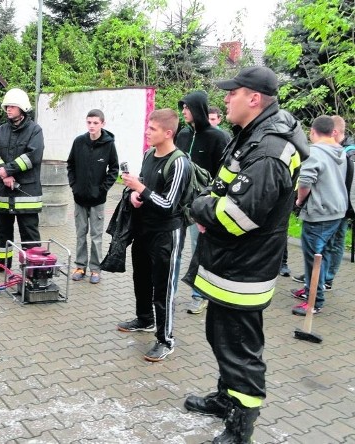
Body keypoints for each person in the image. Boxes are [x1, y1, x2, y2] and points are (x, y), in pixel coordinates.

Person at [182, 66, 308, 444]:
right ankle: (226, 398)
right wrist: (211, 205)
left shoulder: (269, 149)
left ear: (254, 98)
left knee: (240, 349)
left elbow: (239, 215)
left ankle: (241, 428)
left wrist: (200, 208)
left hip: (244, 269)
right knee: (222, 337)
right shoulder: (255, 133)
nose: (225, 98)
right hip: (230, 263)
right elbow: (230, 188)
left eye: (232, 92)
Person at [118, 109, 190, 362]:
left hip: (167, 234)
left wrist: (141, 188)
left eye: (152, 129)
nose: (147, 132)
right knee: (141, 278)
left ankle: (165, 340)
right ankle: (145, 319)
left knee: (164, 288)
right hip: (144, 229)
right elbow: (147, 188)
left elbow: (170, 203)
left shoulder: (179, 161)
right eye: (148, 127)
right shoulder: (149, 153)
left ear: (168, 133)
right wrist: (135, 195)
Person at [175, 91, 229, 315]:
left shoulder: (218, 138)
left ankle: (199, 295)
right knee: (174, 248)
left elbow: (223, 174)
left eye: (187, 107)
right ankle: (170, 290)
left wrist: (211, 203)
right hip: (180, 203)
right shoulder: (183, 135)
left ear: (197, 108)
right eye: (183, 107)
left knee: (200, 250)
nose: (184, 111)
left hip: (203, 204)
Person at [289, 115, 348, 316]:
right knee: (323, 255)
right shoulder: (340, 150)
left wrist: (299, 201)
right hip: (337, 211)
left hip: (320, 213)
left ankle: (314, 302)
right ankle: (310, 290)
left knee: (313, 258)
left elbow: (305, 181)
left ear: (313, 132)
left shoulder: (314, 152)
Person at [0, 88, 44, 270]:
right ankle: (2, 264)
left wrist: (7, 170)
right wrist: (2, 171)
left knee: (29, 233)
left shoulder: (35, 130)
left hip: (26, 194)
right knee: (2, 232)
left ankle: (32, 266)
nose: (8, 109)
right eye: (6, 106)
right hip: (4, 194)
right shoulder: (0, 131)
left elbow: (33, 156)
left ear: (22, 108)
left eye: (12, 106)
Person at [67, 109, 119, 284]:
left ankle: (95, 269)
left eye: (95, 123)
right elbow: (70, 165)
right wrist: (74, 186)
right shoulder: (79, 142)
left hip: (98, 200)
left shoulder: (109, 144)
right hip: (79, 199)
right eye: (89, 122)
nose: (92, 126)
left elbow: (114, 169)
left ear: (103, 124)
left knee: (96, 236)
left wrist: (103, 189)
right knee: (81, 234)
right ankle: (80, 266)